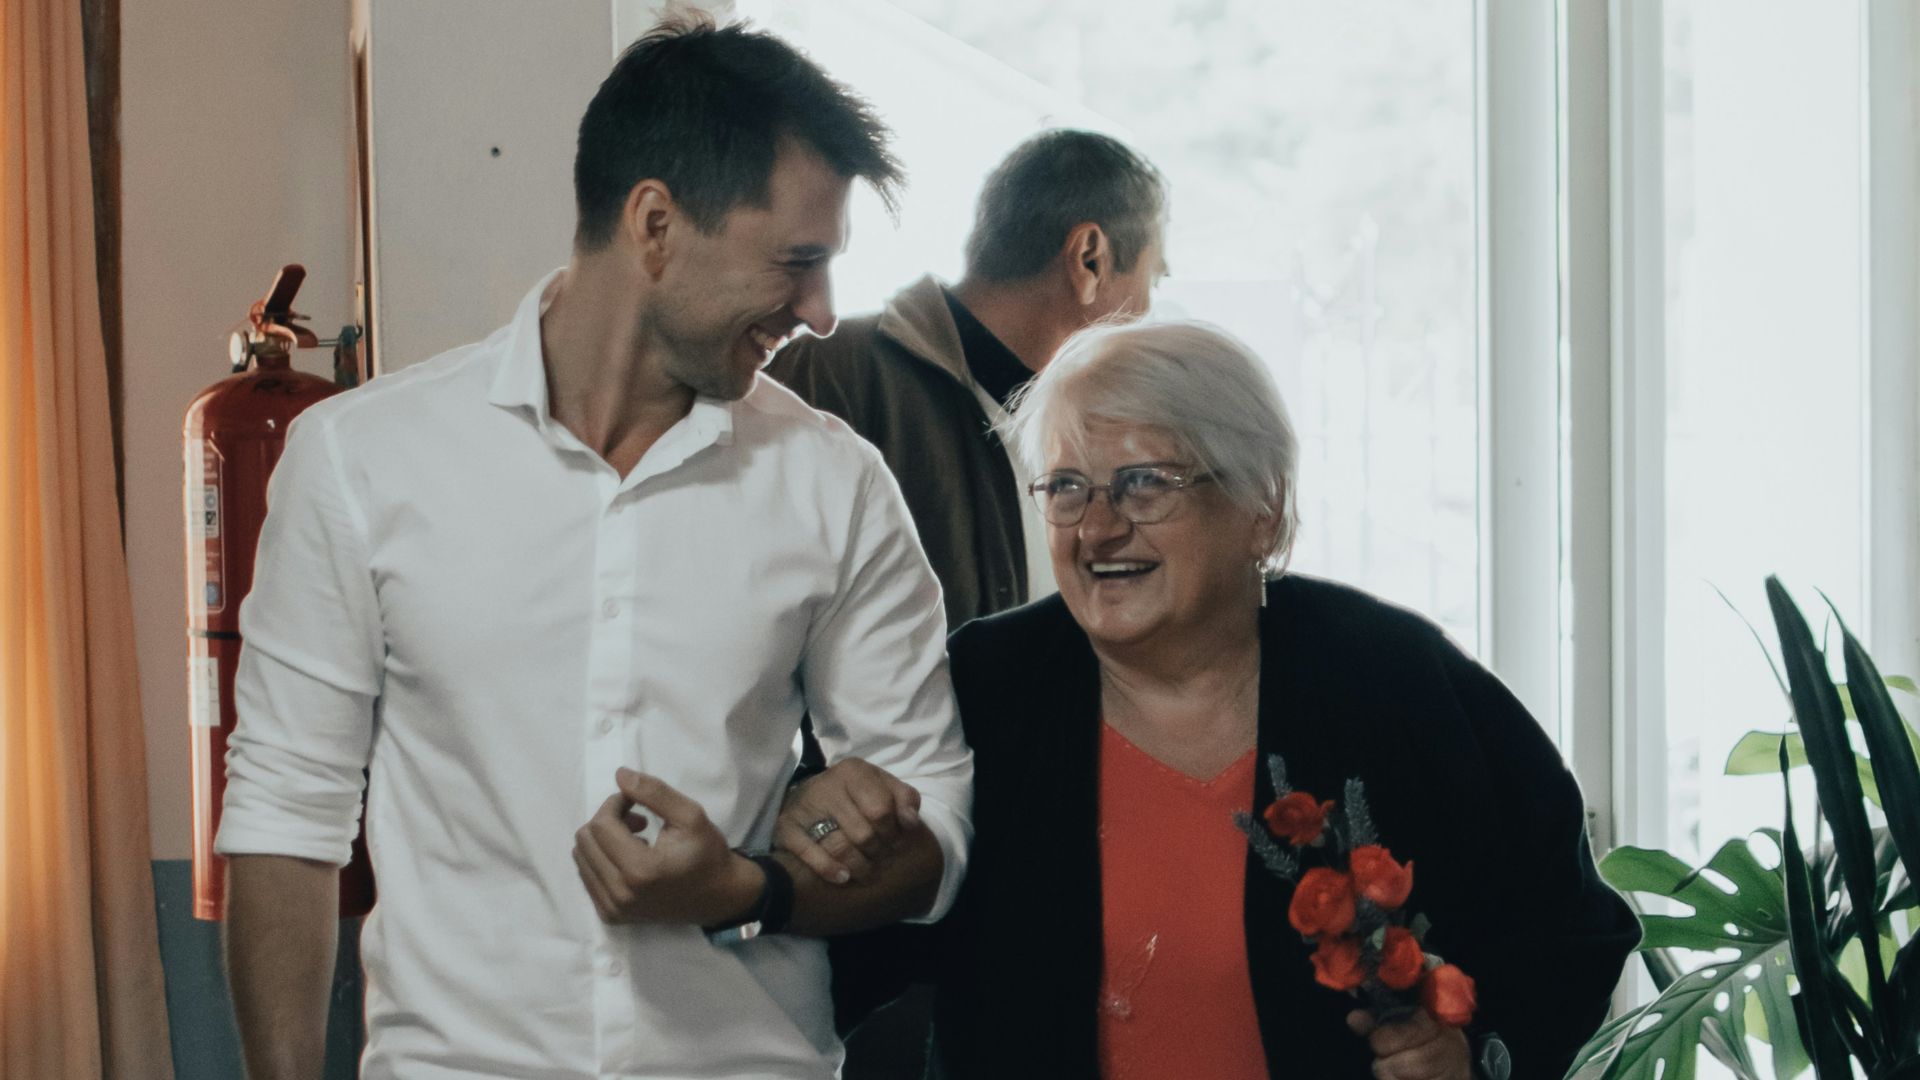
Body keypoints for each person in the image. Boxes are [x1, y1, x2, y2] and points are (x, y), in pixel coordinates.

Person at [215, 18, 972, 1080]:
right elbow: (284, 816)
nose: (821, 311)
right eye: (797, 263)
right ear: (655, 222)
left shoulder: (837, 484)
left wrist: (751, 890)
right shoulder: (357, 461)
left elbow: (934, 836)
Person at [780, 321, 1640, 1078]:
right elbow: (841, 931)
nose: (1098, 528)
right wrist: (812, 826)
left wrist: (1475, 1052)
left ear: (1261, 509)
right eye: (1068, 487)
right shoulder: (989, 685)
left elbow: (1568, 928)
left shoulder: (1392, 677)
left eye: (1145, 483)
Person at [768, 129, 1168, 625]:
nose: (1150, 314)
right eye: (1153, 279)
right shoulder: (829, 376)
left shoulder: (1085, 428)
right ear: (1089, 258)